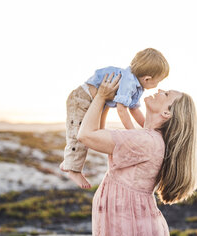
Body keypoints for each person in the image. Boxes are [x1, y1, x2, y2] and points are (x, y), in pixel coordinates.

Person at [77, 74, 197, 236]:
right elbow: (99, 135)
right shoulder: (150, 139)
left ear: (166, 113)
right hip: (130, 221)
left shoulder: (147, 141)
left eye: (166, 94)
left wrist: (101, 96)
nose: (160, 90)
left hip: (127, 225)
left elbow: (86, 135)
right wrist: (107, 102)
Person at [60, 48, 170, 189]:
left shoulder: (137, 86)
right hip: (82, 99)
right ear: (147, 79)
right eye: (157, 82)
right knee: (78, 134)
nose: (157, 86)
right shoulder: (128, 81)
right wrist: (133, 132)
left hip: (95, 102)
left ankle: (68, 161)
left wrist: (146, 129)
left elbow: (134, 109)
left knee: (97, 132)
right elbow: (122, 109)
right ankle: (73, 170)